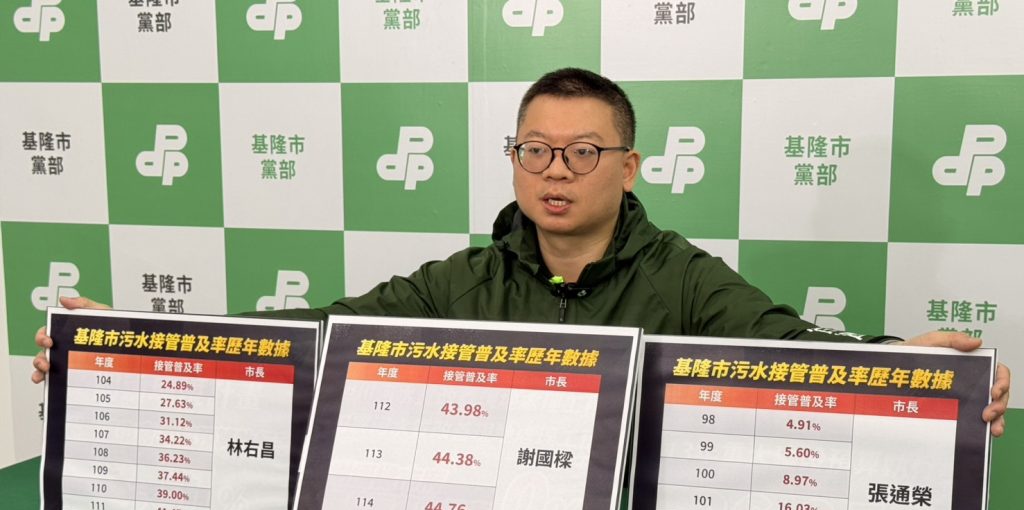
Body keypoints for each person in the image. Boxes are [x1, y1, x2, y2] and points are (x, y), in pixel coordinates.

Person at [32, 68, 1009, 434]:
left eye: (583, 152)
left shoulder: (681, 275)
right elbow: (315, 332)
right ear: (513, 159)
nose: (555, 171)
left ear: (628, 166)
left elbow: (789, 350)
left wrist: (914, 371)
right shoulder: (463, 279)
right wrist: (129, 341)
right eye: (534, 149)